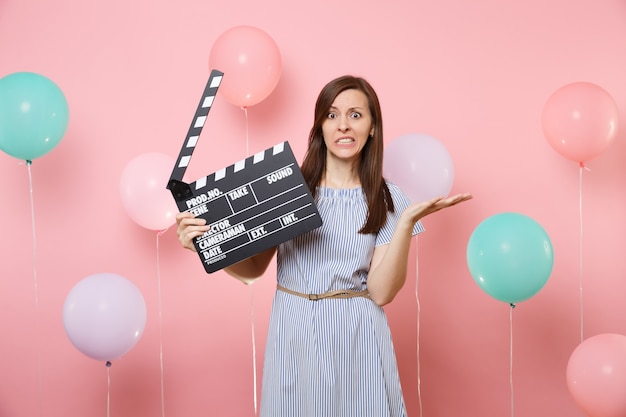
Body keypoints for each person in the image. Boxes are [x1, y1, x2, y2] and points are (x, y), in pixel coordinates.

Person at [176, 74, 472, 417]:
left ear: (373, 127)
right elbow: (253, 270)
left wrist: (404, 223)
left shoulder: (387, 197)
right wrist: (210, 246)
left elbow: (382, 292)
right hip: (294, 330)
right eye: (332, 115)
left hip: (358, 336)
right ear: (319, 126)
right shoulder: (287, 188)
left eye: (356, 115)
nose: (343, 126)